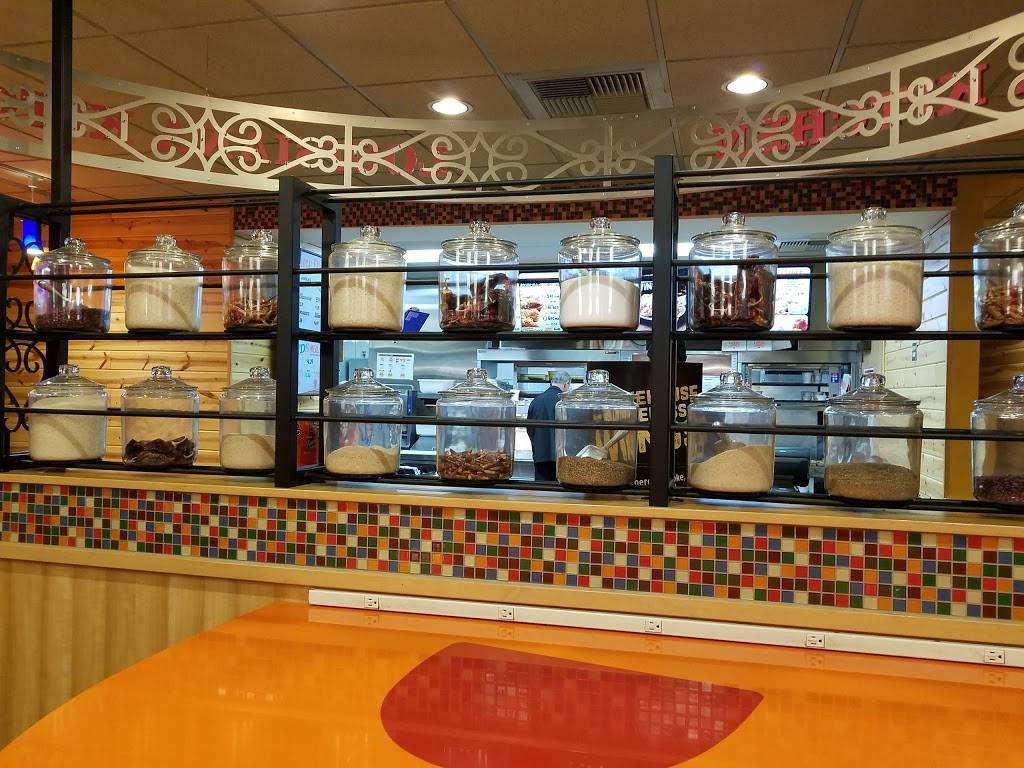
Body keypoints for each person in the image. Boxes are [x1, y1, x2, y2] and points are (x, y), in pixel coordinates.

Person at [526, 370, 570, 481]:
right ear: (566, 384)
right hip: (562, 457)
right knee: (562, 488)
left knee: (543, 489)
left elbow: (530, 429)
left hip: (540, 456)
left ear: (551, 382)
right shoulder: (566, 403)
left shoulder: (536, 401)